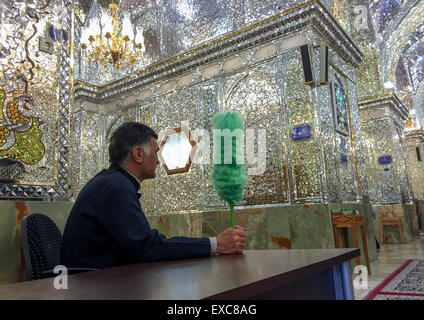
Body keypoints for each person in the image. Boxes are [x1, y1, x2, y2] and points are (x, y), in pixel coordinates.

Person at [60, 122, 246, 270]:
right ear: (138, 154)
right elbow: (147, 247)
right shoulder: (116, 186)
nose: (158, 160)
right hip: (88, 287)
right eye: (156, 152)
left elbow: (140, 244)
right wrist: (217, 244)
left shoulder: (113, 182)